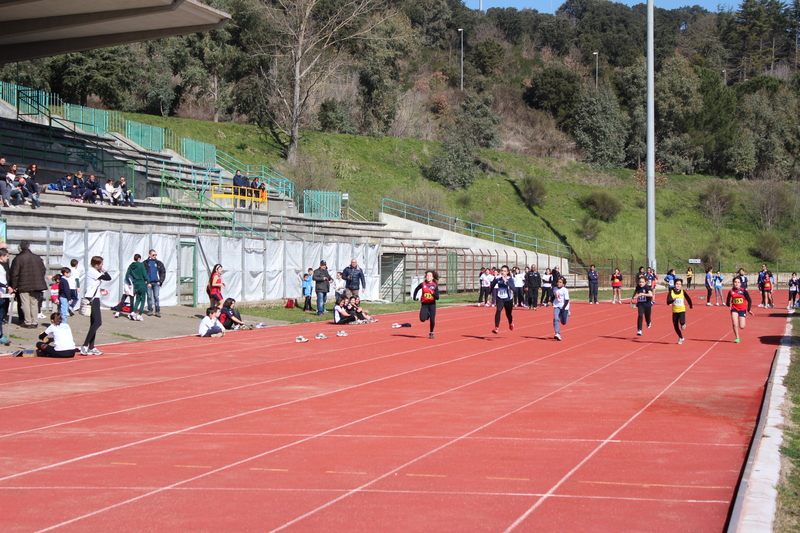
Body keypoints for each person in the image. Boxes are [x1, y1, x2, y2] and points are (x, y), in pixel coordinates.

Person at [9, 241, 47, 328]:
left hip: (23, 285)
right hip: (36, 285)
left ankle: (28, 321)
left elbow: (15, 274)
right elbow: (43, 270)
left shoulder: (18, 258)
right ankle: (35, 321)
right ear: (29, 247)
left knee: (25, 303)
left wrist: (14, 286)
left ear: (21, 248)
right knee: (34, 303)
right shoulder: (37, 258)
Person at [80, 255, 111, 355]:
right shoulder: (92, 271)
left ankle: (91, 346)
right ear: (96, 264)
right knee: (97, 322)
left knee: (94, 323)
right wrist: (104, 270)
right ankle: (85, 345)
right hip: (92, 298)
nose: (102, 265)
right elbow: (108, 277)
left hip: (95, 297)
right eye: (101, 264)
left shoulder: (96, 272)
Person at [413, 270, 439, 339]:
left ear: (432, 277)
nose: (428, 277)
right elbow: (416, 289)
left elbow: (437, 297)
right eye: (427, 276)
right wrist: (414, 297)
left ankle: (431, 332)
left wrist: (433, 294)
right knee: (422, 319)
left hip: (432, 304)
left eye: (430, 276)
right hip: (424, 304)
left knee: (432, 320)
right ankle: (428, 314)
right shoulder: (423, 284)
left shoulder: (435, 286)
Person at [726, 276, 753, 343]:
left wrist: (748, 309)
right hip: (734, 309)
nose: (736, 283)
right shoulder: (731, 291)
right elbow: (727, 301)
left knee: (742, 326)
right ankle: (737, 337)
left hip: (742, 309)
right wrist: (729, 305)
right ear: (733, 283)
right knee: (735, 323)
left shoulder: (743, 291)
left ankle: (743, 320)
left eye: (738, 282)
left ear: (740, 283)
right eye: (735, 282)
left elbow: (749, 300)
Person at [489, 265, 516, 334]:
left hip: (508, 299)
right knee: (498, 310)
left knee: (508, 314)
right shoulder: (498, 278)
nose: (503, 272)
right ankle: (496, 327)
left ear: (507, 272)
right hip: (500, 298)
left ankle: (511, 323)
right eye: (502, 271)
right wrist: (489, 293)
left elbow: (514, 288)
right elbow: (492, 284)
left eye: (504, 271)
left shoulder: (510, 279)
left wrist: (506, 281)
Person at [666, 278, 693, 345]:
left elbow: (688, 298)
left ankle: (683, 324)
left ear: (681, 285)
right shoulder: (671, 292)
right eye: (677, 284)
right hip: (675, 311)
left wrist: (691, 305)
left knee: (682, 322)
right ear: (674, 284)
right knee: (675, 326)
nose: (678, 285)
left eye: (679, 284)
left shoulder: (683, 292)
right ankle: (681, 337)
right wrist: (673, 300)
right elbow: (668, 302)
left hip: (682, 310)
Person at [125, 253, 148, 321]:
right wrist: (148, 281)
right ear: (139, 259)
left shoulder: (131, 266)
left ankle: (133, 312)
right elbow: (144, 274)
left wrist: (129, 283)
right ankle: (139, 314)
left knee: (137, 298)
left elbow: (126, 276)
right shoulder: (141, 265)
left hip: (136, 283)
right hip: (141, 282)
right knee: (143, 299)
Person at [143, 249, 166, 317]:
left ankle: (157, 310)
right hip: (149, 283)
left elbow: (163, 272)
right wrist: (147, 282)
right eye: (153, 255)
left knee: (156, 296)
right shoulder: (145, 263)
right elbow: (144, 273)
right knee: (149, 297)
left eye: (155, 255)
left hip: (156, 283)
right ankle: (150, 309)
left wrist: (160, 281)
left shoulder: (158, 263)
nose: (154, 256)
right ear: (149, 255)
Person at [0, 248, 12, 345]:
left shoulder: (2, 266)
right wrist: (6, 286)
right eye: (6, 256)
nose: (8, 258)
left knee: (1, 315)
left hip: (2, 293)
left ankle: (0, 335)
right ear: (2, 256)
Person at [552, 276, 570, 341]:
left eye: (560, 282)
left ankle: (567, 313)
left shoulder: (565, 290)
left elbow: (567, 300)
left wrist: (564, 308)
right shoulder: (555, 289)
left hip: (564, 307)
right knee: (555, 319)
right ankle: (557, 333)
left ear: (563, 284)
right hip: (557, 305)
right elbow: (553, 296)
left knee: (564, 322)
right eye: (558, 282)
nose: (558, 283)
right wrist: (550, 301)